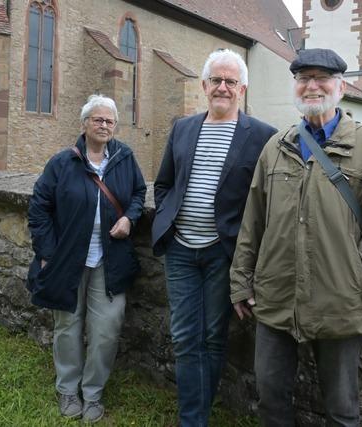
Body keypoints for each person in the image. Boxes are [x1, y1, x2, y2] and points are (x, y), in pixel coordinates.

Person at [230, 48, 362, 426]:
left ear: (339, 86)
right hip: (276, 297)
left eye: (321, 78)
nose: (312, 85)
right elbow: (253, 221)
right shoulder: (275, 148)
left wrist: (358, 274)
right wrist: (241, 280)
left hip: (341, 303)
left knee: (342, 410)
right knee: (271, 401)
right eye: (303, 78)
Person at [152, 49, 277, 426]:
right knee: (185, 337)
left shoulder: (263, 136)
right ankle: (194, 419)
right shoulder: (183, 128)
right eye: (216, 81)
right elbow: (163, 185)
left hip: (224, 253)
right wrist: (167, 218)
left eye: (231, 81)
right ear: (205, 85)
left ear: (242, 88)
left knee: (212, 336)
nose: (223, 87)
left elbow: (267, 203)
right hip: (180, 250)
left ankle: (197, 417)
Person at [27, 94, 146, 423]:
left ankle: (92, 393)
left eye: (110, 121)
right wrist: (47, 253)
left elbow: (139, 193)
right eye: (98, 119)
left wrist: (130, 218)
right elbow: (39, 208)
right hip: (68, 259)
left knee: (106, 328)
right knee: (67, 325)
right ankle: (68, 388)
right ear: (84, 124)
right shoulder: (63, 162)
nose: (104, 125)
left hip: (111, 260)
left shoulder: (124, 158)